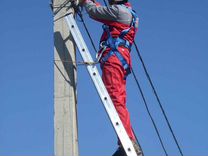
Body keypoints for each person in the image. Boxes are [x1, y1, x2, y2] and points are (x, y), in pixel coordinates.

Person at [79, 0, 143, 155]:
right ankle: (129, 140)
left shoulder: (119, 12)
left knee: (115, 99)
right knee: (119, 100)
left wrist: (85, 2)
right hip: (121, 58)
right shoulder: (127, 12)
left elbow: (95, 12)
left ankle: (127, 141)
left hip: (114, 59)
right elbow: (102, 9)